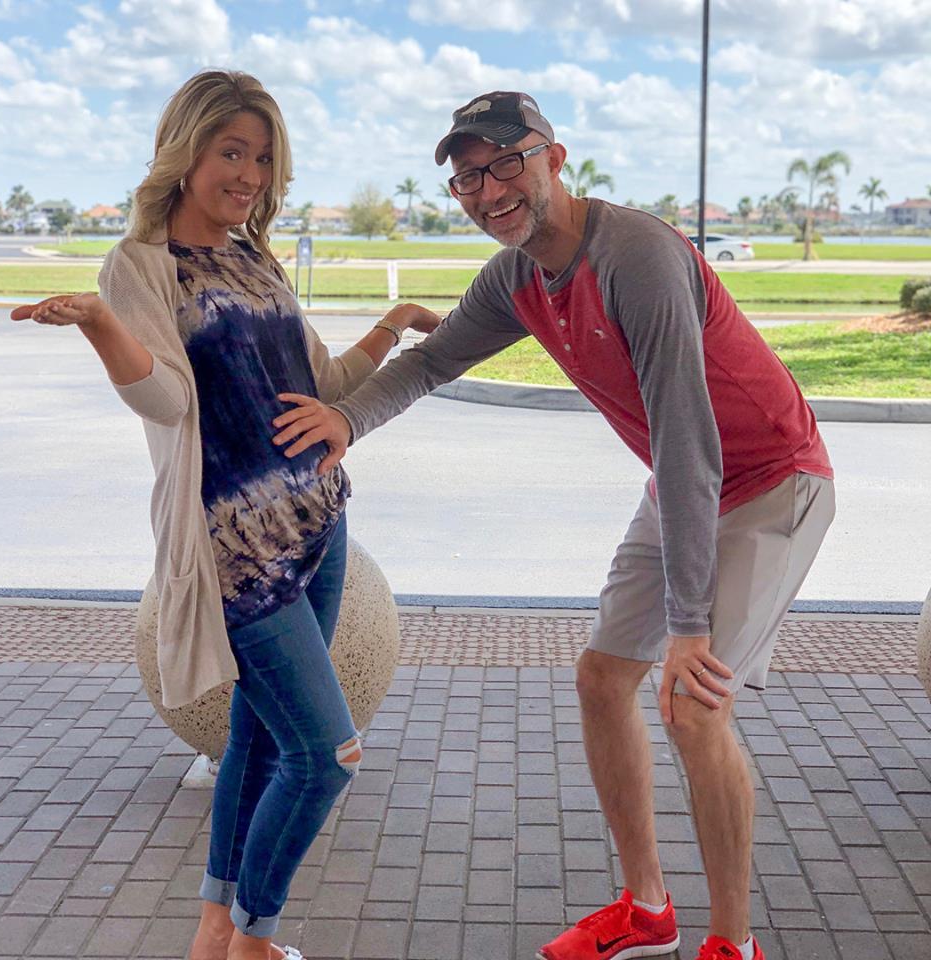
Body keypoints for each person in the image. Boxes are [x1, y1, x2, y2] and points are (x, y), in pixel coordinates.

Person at [271, 91, 836, 960]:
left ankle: (734, 943)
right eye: (468, 178)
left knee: (692, 706)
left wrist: (688, 627)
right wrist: (347, 420)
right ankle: (647, 911)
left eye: (506, 162)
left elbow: (688, 438)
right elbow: (432, 361)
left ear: (555, 158)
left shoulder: (636, 256)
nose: (489, 189)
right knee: (603, 678)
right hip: (682, 485)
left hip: (770, 480)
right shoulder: (516, 278)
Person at [10, 70, 438, 960]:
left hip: (319, 526)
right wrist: (100, 325)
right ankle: (254, 940)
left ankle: (215, 933)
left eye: (263, 157)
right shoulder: (140, 265)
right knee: (326, 755)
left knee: (257, 738)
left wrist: (392, 324)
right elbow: (166, 401)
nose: (248, 174)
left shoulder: (254, 256)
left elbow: (321, 383)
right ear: (185, 151)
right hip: (236, 553)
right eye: (231, 152)